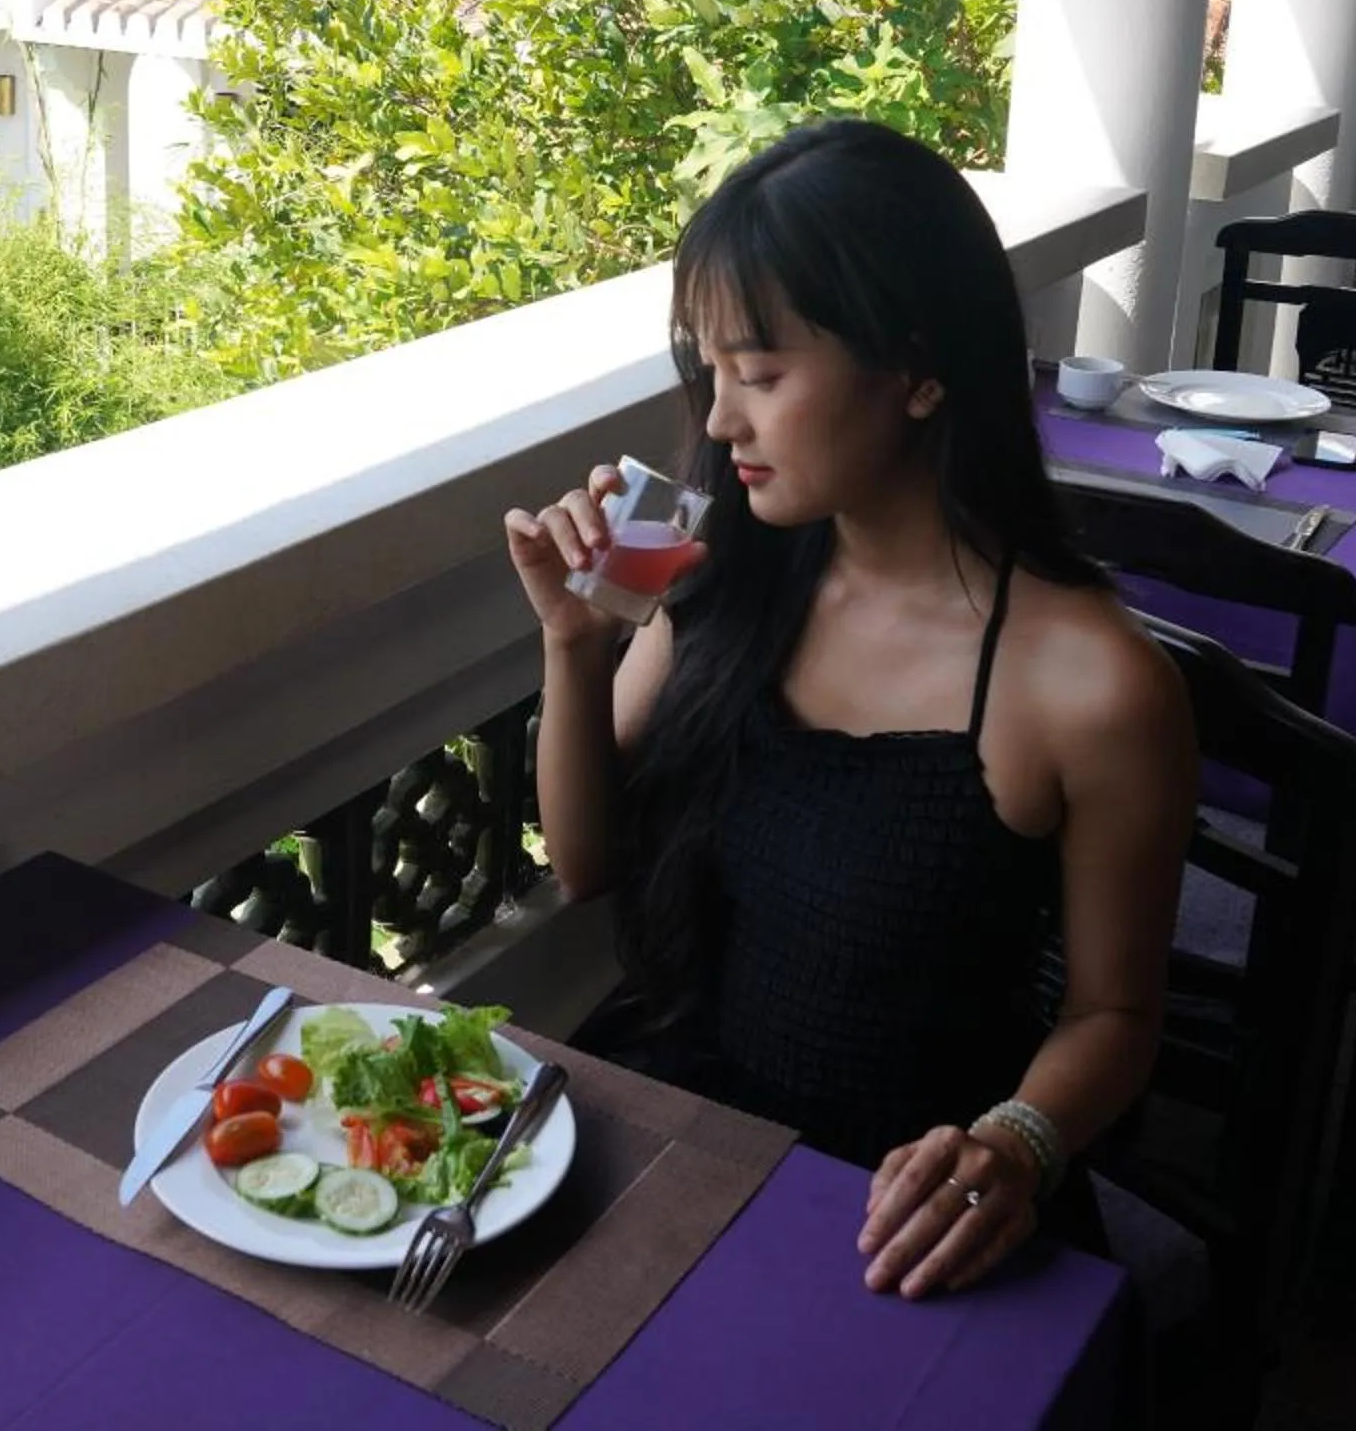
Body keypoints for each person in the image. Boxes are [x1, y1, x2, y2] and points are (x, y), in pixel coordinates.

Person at [503, 119, 1196, 1302]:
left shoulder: (1089, 685)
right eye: (711, 373)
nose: (722, 422)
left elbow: (1117, 1011)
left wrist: (1017, 1140)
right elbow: (585, 864)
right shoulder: (723, 572)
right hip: (678, 1130)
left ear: (919, 369)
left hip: (901, 1207)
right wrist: (572, 645)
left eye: (763, 376)